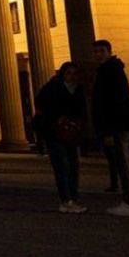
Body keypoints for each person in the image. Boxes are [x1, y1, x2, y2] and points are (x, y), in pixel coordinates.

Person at [91, 41, 129, 216]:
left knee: (123, 164)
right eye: (96, 52)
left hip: (116, 124)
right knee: (128, 162)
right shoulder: (113, 69)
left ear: (109, 52)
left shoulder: (108, 71)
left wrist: (108, 130)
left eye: (102, 51)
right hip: (121, 123)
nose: (98, 55)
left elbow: (109, 104)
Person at [34, 62, 88, 213]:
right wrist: (56, 116)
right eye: (68, 73)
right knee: (62, 166)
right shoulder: (52, 87)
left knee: (74, 167)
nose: (71, 76)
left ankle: (73, 199)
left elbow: (83, 109)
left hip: (73, 132)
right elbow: (40, 105)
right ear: (62, 74)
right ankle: (65, 200)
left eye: (74, 73)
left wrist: (80, 123)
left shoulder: (78, 89)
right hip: (55, 132)